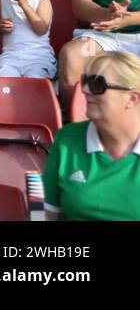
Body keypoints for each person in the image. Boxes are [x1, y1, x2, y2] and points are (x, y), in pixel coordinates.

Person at [43, 53, 140, 221]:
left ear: (132, 98)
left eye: (97, 84)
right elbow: (41, 212)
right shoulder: (66, 139)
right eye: (85, 81)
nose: (85, 90)